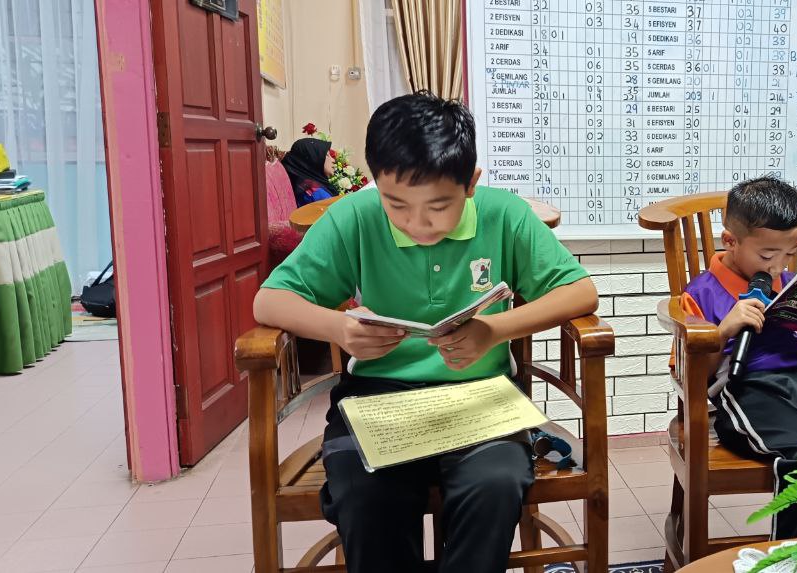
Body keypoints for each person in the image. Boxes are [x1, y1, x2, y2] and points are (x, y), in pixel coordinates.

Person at [253, 91, 598, 572]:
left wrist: (494, 330)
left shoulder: (504, 214)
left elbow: (580, 292)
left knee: (495, 484)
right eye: (396, 204)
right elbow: (269, 300)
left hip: (480, 397)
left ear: (470, 183)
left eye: (438, 206)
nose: (417, 224)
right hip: (377, 399)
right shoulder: (355, 216)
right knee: (365, 493)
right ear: (376, 182)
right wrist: (340, 328)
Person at [676, 176, 797, 539]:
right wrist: (723, 331)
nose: (778, 266)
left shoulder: (796, 287)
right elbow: (692, 377)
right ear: (730, 241)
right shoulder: (700, 293)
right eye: (767, 255)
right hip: (745, 394)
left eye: (790, 253)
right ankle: (794, 554)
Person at [281, 137, 336, 206]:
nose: (333, 160)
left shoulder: (308, 183)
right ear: (314, 158)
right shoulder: (315, 193)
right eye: (327, 155)